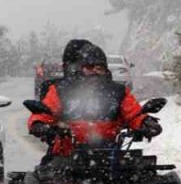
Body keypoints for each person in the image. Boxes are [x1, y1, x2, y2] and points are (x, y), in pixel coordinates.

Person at [28, 40, 161, 158]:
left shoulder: (118, 91)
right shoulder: (60, 90)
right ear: (80, 68)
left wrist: (146, 123)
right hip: (66, 157)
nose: (95, 71)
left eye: (99, 67)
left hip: (111, 158)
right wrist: (39, 125)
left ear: (105, 69)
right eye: (89, 67)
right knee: (39, 181)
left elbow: (133, 113)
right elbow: (44, 113)